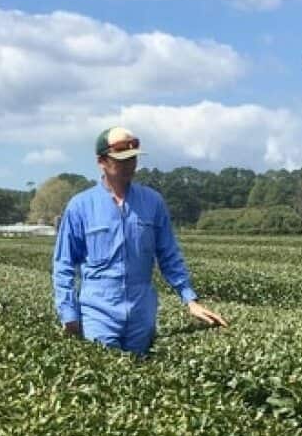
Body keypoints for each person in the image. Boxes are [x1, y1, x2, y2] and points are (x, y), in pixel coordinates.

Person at [52, 126, 227, 355]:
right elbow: (63, 264)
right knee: (105, 378)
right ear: (102, 161)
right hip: (98, 312)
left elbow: (168, 254)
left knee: (139, 378)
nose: (129, 165)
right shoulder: (80, 206)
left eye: (133, 159)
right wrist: (68, 314)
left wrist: (190, 299)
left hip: (141, 312)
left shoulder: (153, 202)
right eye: (121, 160)